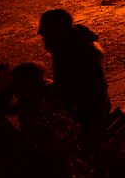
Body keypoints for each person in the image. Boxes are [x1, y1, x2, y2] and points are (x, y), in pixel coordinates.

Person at [37, 9, 111, 146]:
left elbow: (70, 91)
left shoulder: (69, 52)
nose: (40, 34)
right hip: (95, 105)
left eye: (45, 31)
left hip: (89, 112)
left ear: (56, 31)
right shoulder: (74, 42)